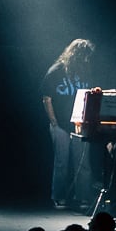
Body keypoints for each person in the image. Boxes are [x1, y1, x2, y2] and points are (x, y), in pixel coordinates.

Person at [42, 37, 97, 210]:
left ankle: (83, 197)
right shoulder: (56, 71)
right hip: (61, 124)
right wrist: (54, 122)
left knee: (83, 163)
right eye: (84, 55)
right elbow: (46, 98)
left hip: (81, 124)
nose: (87, 59)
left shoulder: (86, 71)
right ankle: (59, 197)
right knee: (61, 162)